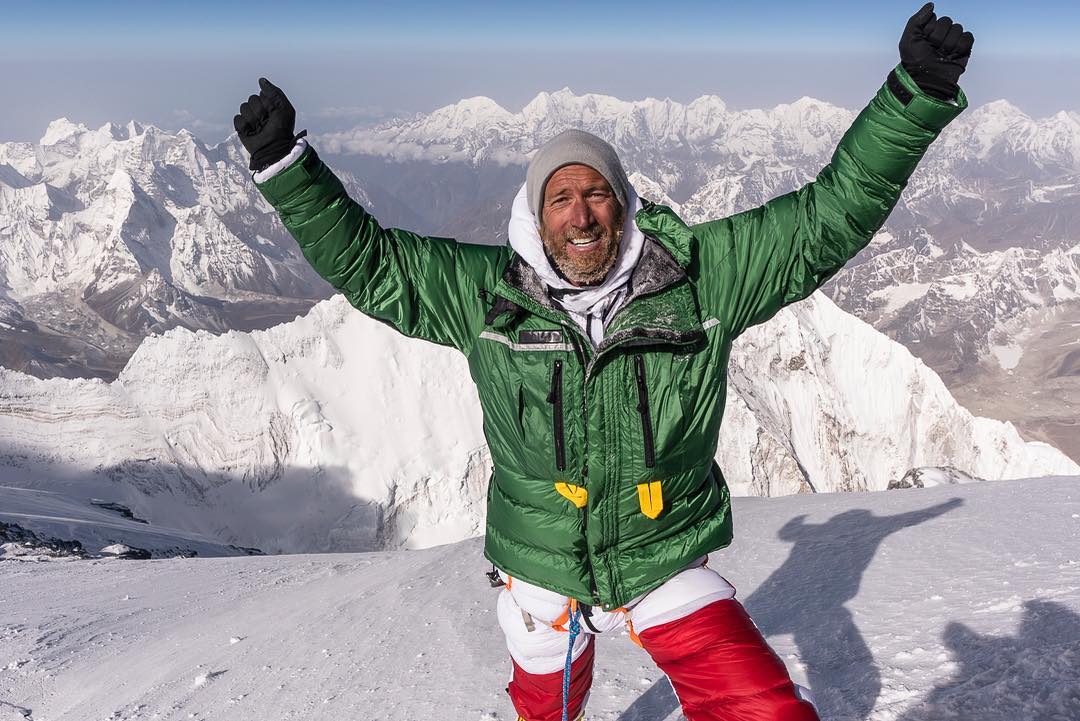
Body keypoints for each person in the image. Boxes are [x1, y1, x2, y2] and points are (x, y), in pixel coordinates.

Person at [233, 4, 972, 719]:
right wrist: (287, 169)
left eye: (596, 194)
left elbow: (824, 220)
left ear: (624, 206)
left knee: (767, 710)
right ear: (536, 214)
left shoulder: (702, 277)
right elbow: (374, 263)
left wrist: (914, 99)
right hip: (539, 572)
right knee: (545, 705)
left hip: (664, 559)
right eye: (560, 197)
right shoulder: (485, 294)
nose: (580, 214)